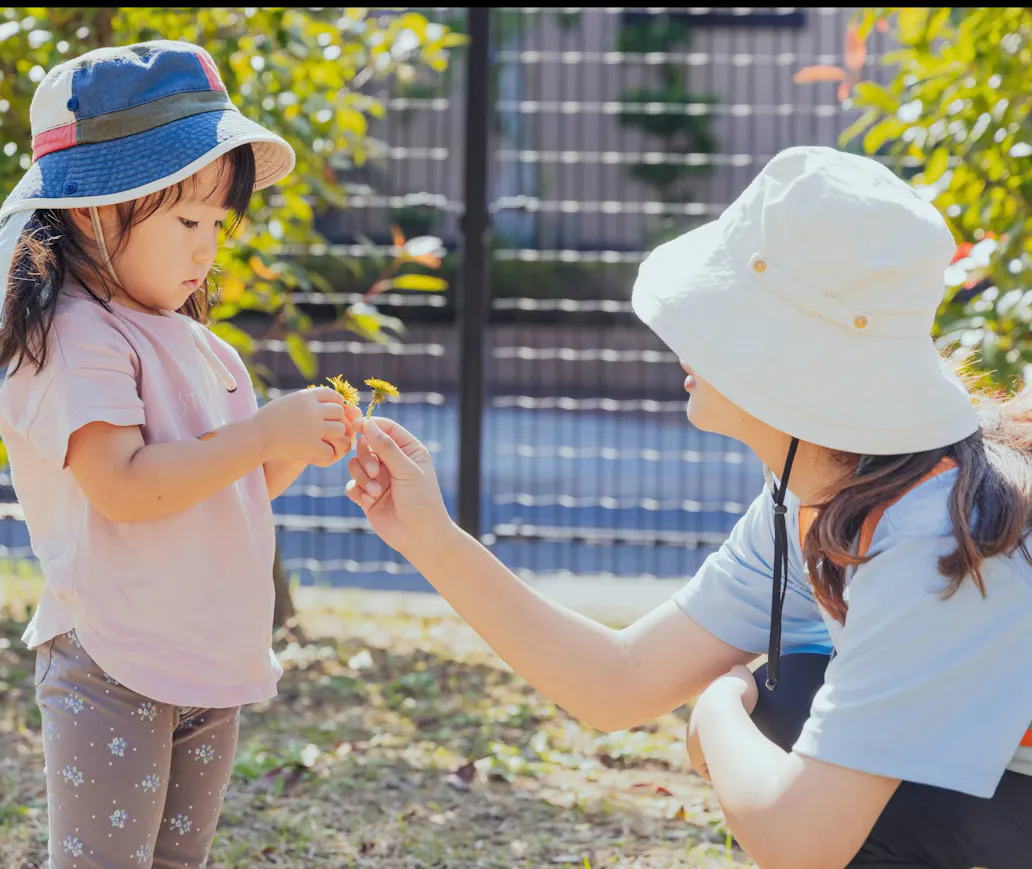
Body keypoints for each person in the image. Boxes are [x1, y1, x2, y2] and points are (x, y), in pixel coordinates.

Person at [344, 146, 1032, 869]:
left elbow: (801, 841)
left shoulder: (929, 541)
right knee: (788, 699)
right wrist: (428, 536)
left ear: (786, 364)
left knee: (781, 716)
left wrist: (715, 708)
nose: (687, 341)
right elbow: (616, 680)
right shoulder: (832, 491)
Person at [0, 41, 358, 868]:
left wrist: (295, 443)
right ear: (92, 211)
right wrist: (261, 434)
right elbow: (122, 487)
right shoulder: (78, 336)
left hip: (201, 656)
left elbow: (230, 488)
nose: (205, 248)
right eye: (187, 220)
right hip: (113, 661)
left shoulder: (194, 342)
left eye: (218, 223)